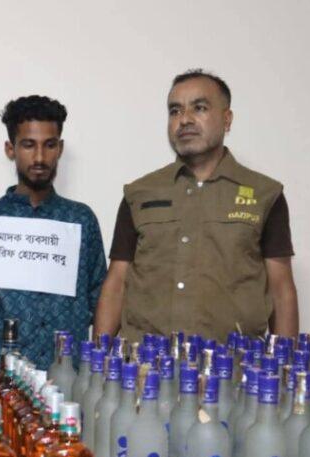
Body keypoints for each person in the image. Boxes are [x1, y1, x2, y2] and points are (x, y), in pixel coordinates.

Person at [94, 70, 298, 342]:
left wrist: (286, 363)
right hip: (146, 361)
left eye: (199, 108)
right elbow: (117, 285)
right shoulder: (139, 193)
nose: (185, 119)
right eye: (175, 111)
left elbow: (281, 290)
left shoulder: (265, 195)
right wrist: (96, 357)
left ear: (227, 119)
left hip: (233, 362)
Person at [0, 95, 106, 373]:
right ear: (10, 149)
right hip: (0, 375)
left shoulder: (80, 220)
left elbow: (101, 298)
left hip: (66, 375)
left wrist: (95, 366)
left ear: (60, 148)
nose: (39, 157)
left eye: (49, 145)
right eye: (28, 145)